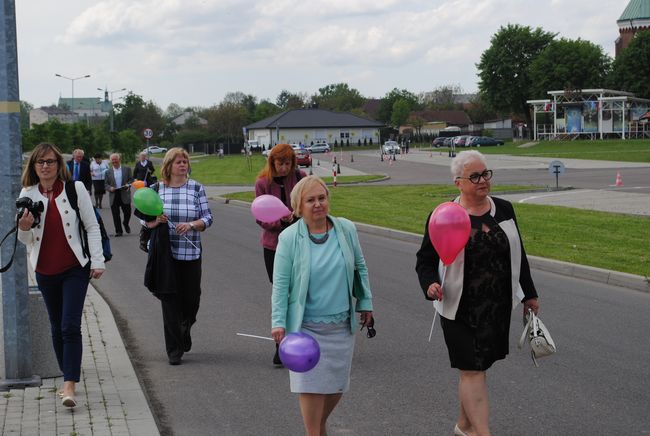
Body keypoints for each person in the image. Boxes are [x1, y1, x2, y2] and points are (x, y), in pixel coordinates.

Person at [415, 150, 539, 436]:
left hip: (495, 306)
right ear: (458, 182)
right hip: (459, 307)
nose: (483, 181)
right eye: (475, 176)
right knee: (471, 370)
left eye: (486, 174)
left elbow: (518, 255)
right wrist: (430, 283)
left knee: (478, 369)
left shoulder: (505, 208)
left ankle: (463, 426)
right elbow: (425, 260)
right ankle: (482, 432)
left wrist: (529, 294)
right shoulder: (443, 215)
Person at [271, 175, 374, 436]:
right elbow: (281, 286)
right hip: (305, 330)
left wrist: (365, 303)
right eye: (310, 200)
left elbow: (360, 267)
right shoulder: (289, 238)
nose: (318, 204)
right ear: (298, 207)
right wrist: (278, 323)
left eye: (322, 197)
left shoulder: (346, 229)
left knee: (336, 388)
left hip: (340, 327)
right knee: (311, 390)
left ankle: (317, 427)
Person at [17, 142, 105, 409]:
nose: (45, 166)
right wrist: (23, 226)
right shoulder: (27, 193)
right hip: (44, 271)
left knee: (70, 325)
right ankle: (66, 373)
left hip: (74, 269)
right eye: (40, 162)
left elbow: (92, 227)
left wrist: (98, 260)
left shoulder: (74, 189)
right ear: (33, 166)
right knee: (56, 326)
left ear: (59, 165)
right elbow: (25, 240)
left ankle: (69, 385)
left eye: (50, 161)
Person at [139, 147, 213, 365]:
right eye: (178, 161)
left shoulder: (196, 188)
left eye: (185, 161)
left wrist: (192, 224)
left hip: (190, 253)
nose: (183, 165)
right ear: (168, 165)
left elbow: (208, 218)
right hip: (164, 255)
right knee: (169, 300)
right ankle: (173, 349)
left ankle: (185, 326)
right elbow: (143, 218)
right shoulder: (156, 188)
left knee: (191, 300)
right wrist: (155, 221)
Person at [255, 143, 307, 365]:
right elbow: (261, 216)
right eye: (280, 163)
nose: (284, 168)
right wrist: (280, 221)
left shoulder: (300, 177)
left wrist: (296, 216)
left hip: (301, 244)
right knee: (281, 292)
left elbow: (310, 203)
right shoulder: (262, 183)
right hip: (274, 246)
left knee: (301, 292)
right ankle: (281, 344)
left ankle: (300, 340)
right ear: (272, 163)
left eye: (288, 163)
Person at [104, 153, 134, 237]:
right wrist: (110, 188)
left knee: (127, 212)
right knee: (115, 214)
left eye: (115, 159)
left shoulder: (127, 169)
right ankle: (118, 231)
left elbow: (131, 180)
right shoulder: (107, 172)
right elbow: (105, 184)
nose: (114, 161)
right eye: (112, 160)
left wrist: (128, 184)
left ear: (119, 159)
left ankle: (125, 223)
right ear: (110, 161)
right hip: (114, 194)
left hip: (124, 192)